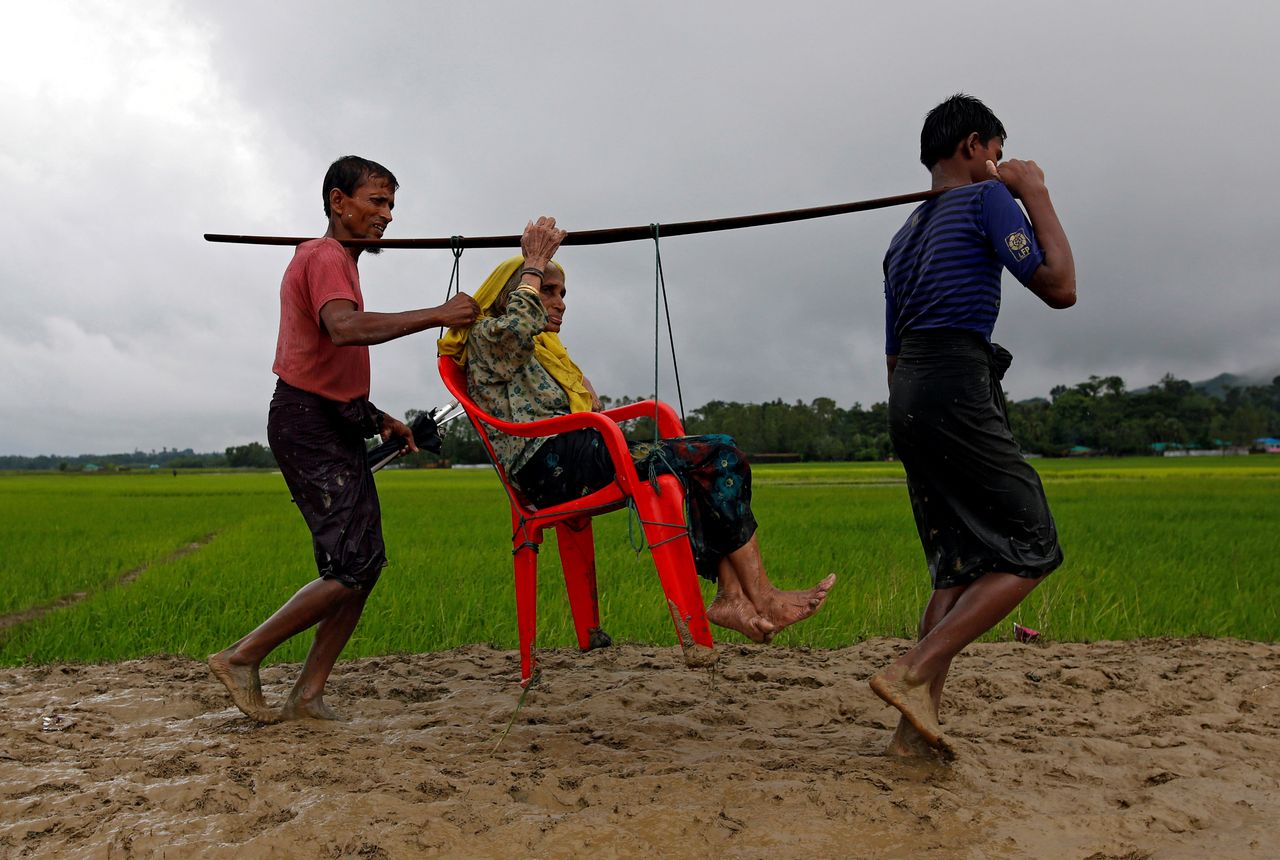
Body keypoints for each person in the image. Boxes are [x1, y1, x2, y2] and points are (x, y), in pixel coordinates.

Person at [439, 217, 836, 642]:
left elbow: (579, 401)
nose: (559, 302)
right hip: (549, 468)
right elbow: (517, 328)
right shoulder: (486, 336)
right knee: (718, 453)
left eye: (561, 293)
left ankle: (732, 596)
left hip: (580, 454)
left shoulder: (546, 353)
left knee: (716, 459)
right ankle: (760, 595)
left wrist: (581, 391)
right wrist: (534, 261)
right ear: (511, 294)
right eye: (547, 291)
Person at [209, 155, 480, 722]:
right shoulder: (324, 255)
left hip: (331, 417)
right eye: (375, 203)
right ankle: (242, 657)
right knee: (352, 565)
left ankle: (308, 694)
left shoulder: (340, 261)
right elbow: (344, 329)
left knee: (362, 563)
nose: (386, 216)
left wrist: (377, 417)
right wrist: (439, 314)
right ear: (339, 201)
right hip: (307, 424)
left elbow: (326, 360)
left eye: (390, 206)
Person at [869, 95, 1077, 757]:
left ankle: (913, 731)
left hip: (909, 395)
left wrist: (921, 413)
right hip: (955, 379)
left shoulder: (900, 239)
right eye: (996, 150)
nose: (1000, 162)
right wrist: (1034, 191)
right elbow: (1059, 285)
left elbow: (894, 355)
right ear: (972, 147)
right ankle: (912, 672)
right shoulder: (990, 202)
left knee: (956, 570)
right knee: (1031, 544)